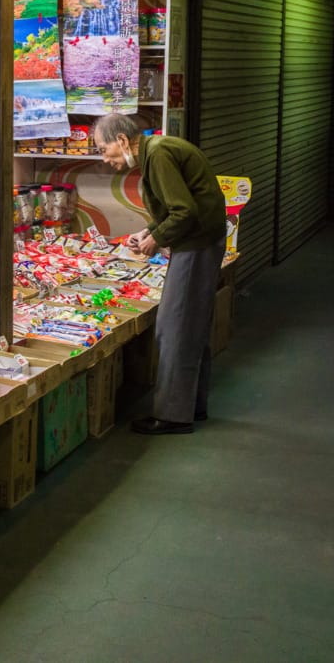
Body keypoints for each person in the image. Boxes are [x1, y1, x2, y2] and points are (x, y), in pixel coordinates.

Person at [94, 114, 229, 435]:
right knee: (191, 325)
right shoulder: (157, 150)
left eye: (104, 148)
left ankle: (173, 415)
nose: (104, 158)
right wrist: (150, 231)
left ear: (123, 141)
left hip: (196, 244)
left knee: (175, 326)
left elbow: (183, 211)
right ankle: (191, 406)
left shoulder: (158, 155)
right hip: (200, 240)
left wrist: (155, 239)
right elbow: (178, 208)